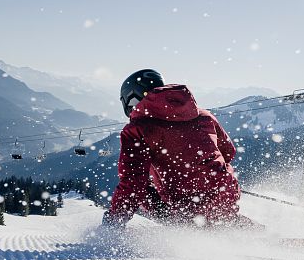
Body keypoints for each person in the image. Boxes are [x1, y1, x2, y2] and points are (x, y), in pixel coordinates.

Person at [103, 69, 244, 227]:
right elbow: (228, 153)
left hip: (185, 205)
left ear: (132, 99)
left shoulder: (137, 129)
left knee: (144, 189)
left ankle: (182, 229)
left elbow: (133, 182)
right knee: (221, 218)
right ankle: (252, 231)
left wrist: (114, 219)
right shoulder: (205, 116)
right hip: (225, 192)